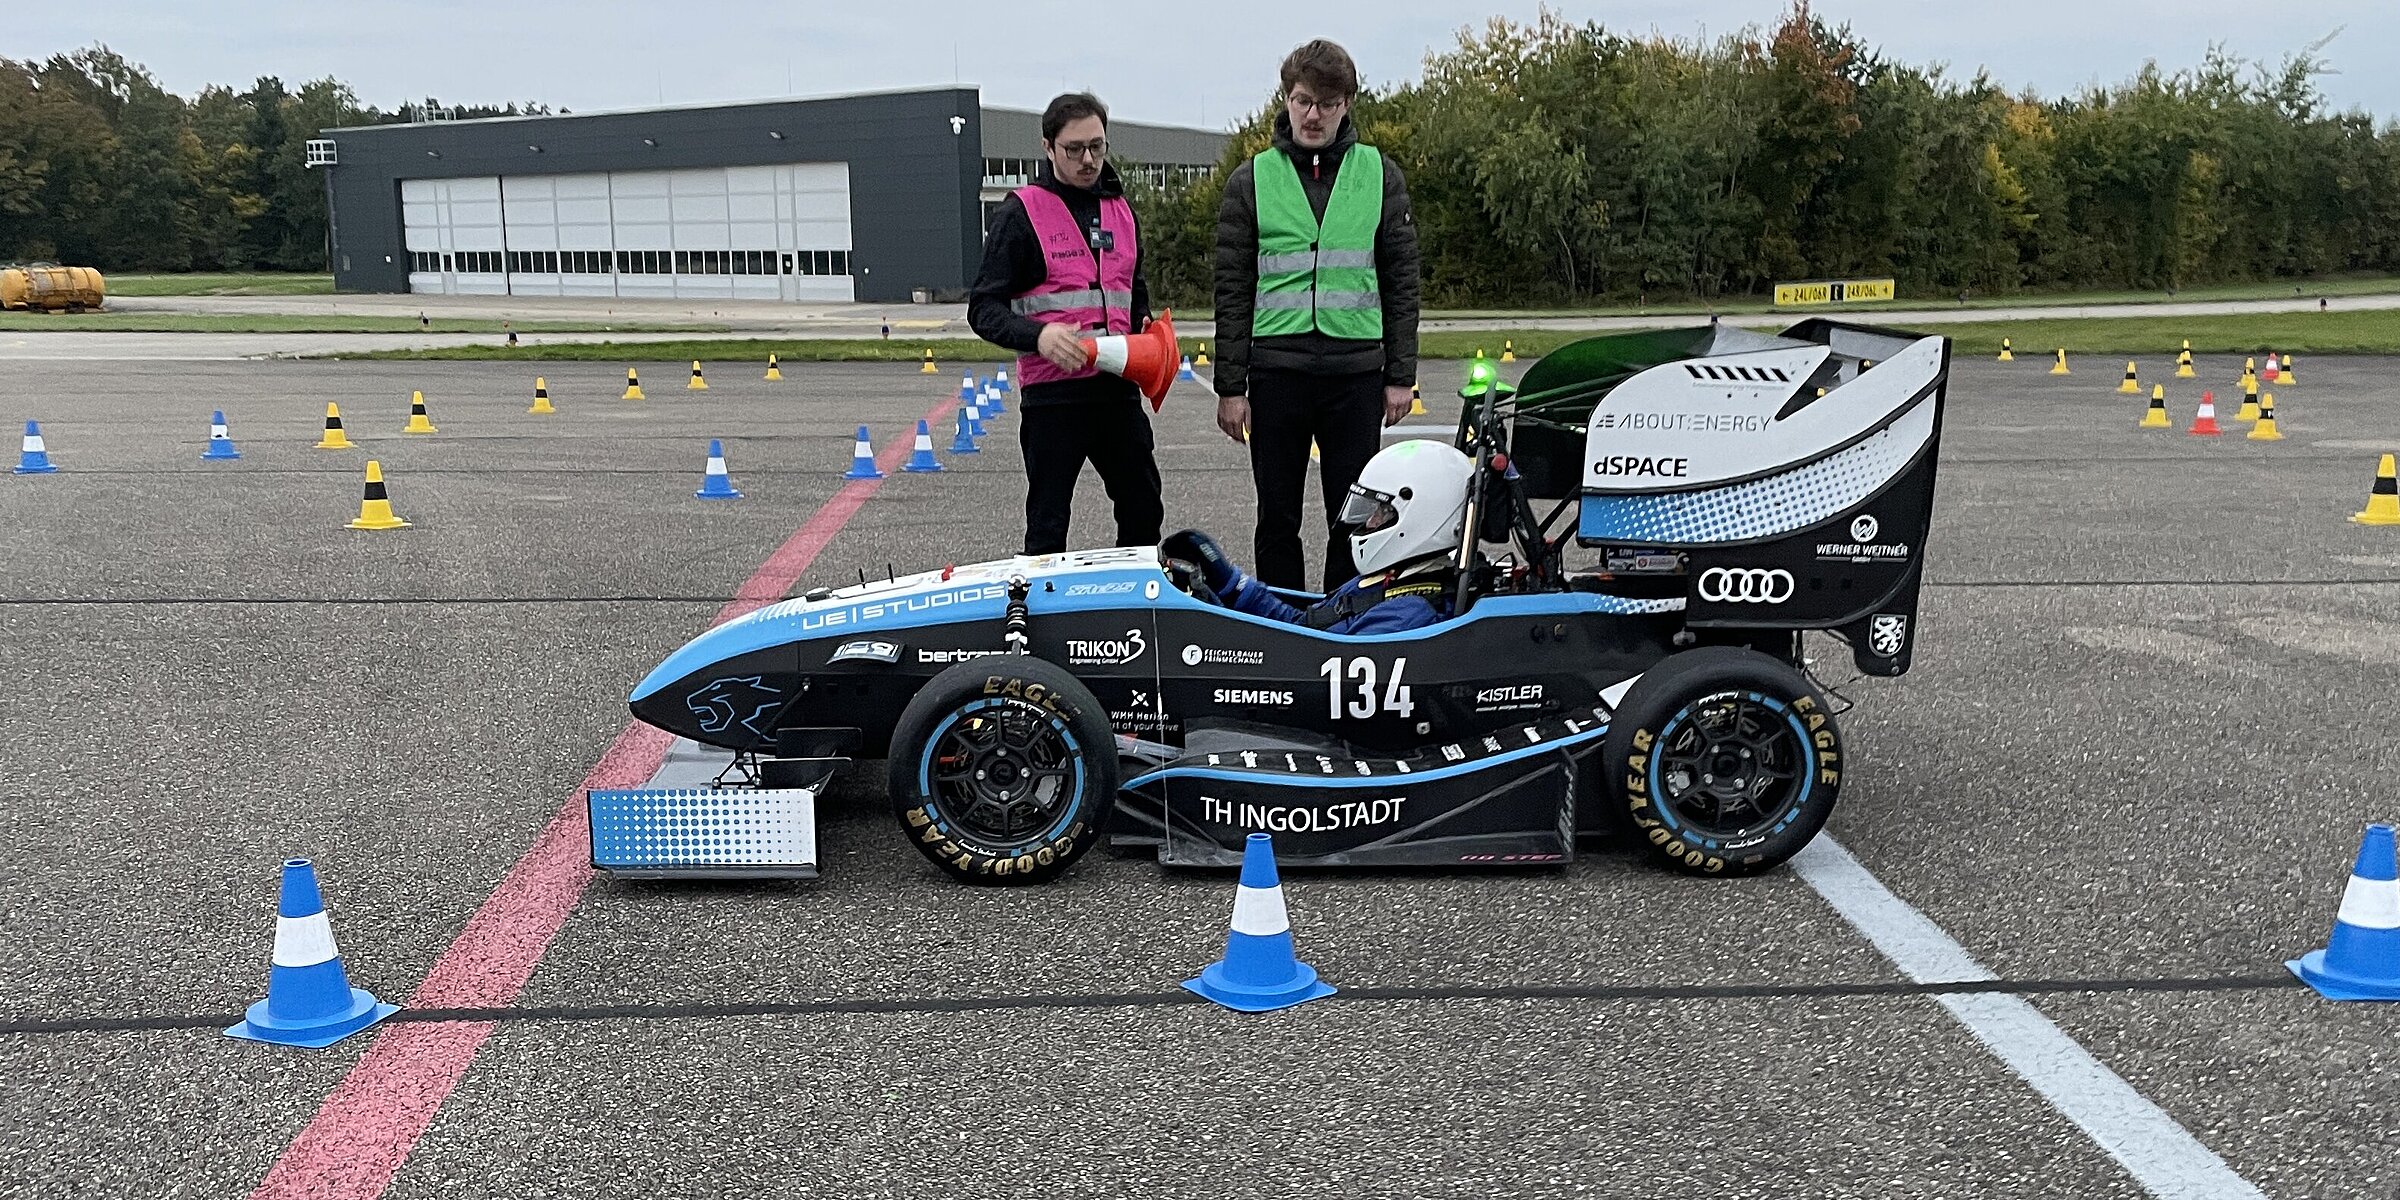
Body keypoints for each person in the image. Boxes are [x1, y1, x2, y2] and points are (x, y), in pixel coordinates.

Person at [1211, 38, 1422, 594]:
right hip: (1277, 373)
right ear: (1286, 98)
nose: (1313, 114)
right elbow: (1232, 291)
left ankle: (1341, 619)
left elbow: (1403, 282)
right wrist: (1230, 387)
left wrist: (1401, 374)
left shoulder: (1380, 174)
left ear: (1347, 104)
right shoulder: (1250, 179)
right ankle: (1282, 623)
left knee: (1353, 517)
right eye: (1303, 100)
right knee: (1276, 516)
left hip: (1355, 374)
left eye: (1327, 103)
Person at [968, 92, 1165, 556]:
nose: (1088, 159)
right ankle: (1041, 619)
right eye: (1074, 148)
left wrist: (1147, 331)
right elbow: (983, 309)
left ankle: (1131, 606)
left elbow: (1132, 291)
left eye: (1097, 146)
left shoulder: (1121, 210)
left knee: (1143, 510)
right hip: (1053, 396)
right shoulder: (1020, 213)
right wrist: (1038, 336)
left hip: (1117, 388)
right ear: (1048, 147)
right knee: (1048, 522)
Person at [1162, 439, 1470, 635]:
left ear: (1422, 517)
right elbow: (1307, 624)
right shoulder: (1391, 580)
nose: (1371, 521)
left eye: (1382, 512)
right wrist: (1232, 585)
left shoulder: (1404, 615)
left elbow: (1308, 657)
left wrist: (1211, 618)